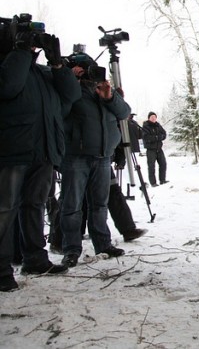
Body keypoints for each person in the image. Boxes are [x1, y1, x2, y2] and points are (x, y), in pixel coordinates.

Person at [0, 25, 81, 292]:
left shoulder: (42, 72)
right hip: (12, 150)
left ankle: (35, 258)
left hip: (44, 151)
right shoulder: (9, 65)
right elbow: (8, 87)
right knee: (5, 209)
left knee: (33, 205)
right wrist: (20, 51)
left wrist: (58, 64)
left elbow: (72, 95)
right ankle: (1, 270)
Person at [59, 59, 131, 268]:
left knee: (99, 205)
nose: (91, 75)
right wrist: (70, 80)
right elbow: (61, 110)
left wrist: (109, 96)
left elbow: (124, 112)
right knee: (71, 205)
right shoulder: (70, 88)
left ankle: (103, 244)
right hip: (76, 155)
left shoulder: (104, 90)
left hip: (102, 156)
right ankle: (71, 249)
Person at [142, 112, 168, 187]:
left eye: (154, 117)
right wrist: (157, 137)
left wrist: (158, 137)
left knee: (163, 164)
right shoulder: (146, 126)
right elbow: (146, 137)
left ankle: (162, 180)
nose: (153, 118)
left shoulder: (158, 125)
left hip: (159, 149)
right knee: (151, 166)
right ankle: (153, 183)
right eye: (152, 117)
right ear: (149, 118)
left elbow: (164, 134)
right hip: (150, 149)